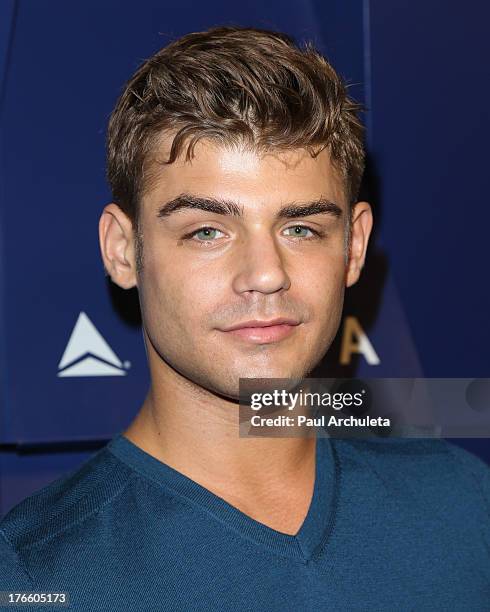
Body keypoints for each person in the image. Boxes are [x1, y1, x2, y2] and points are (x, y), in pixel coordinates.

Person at [0, 26, 488, 611]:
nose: (265, 273)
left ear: (354, 248)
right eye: (207, 231)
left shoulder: (463, 505)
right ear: (123, 251)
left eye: (301, 228)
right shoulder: (32, 575)